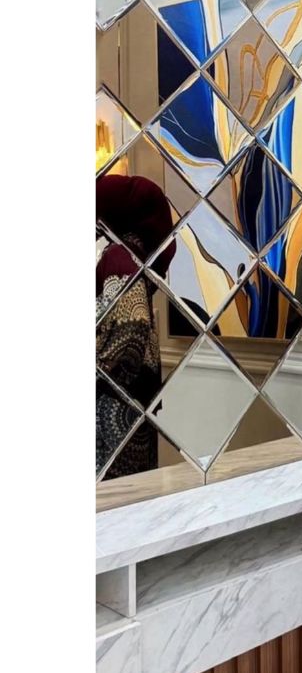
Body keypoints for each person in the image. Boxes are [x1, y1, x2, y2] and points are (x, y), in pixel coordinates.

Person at [96, 174, 176, 479]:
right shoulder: (129, 257)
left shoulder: (120, 258)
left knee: (116, 493)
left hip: (112, 406)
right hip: (126, 400)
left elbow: (131, 329)